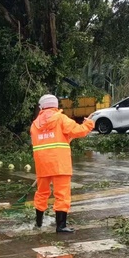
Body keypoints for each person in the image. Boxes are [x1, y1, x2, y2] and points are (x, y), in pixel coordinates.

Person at [30, 94, 94, 233]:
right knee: (62, 194)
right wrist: (88, 123)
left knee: (41, 194)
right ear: (55, 105)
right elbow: (79, 131)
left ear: (42, 106)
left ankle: (38, 223)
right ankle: (61, 226)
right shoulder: (61, 119)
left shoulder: (35, 124)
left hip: (42, 165)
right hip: (60, 164)